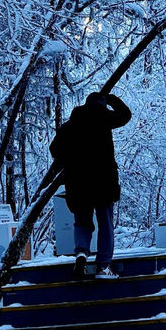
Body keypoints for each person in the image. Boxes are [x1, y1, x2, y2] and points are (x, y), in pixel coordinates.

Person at [50, 92, 132, 279]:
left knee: (82, 223)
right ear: (102, 106)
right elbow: (125, 115)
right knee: (106, 224)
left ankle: (81, 254)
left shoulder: (69, 126)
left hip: (78, 186)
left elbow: (54, 150)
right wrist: (113, 99)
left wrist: (72, 161)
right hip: (104, 184)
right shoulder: (104, 119)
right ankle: (103, 266)